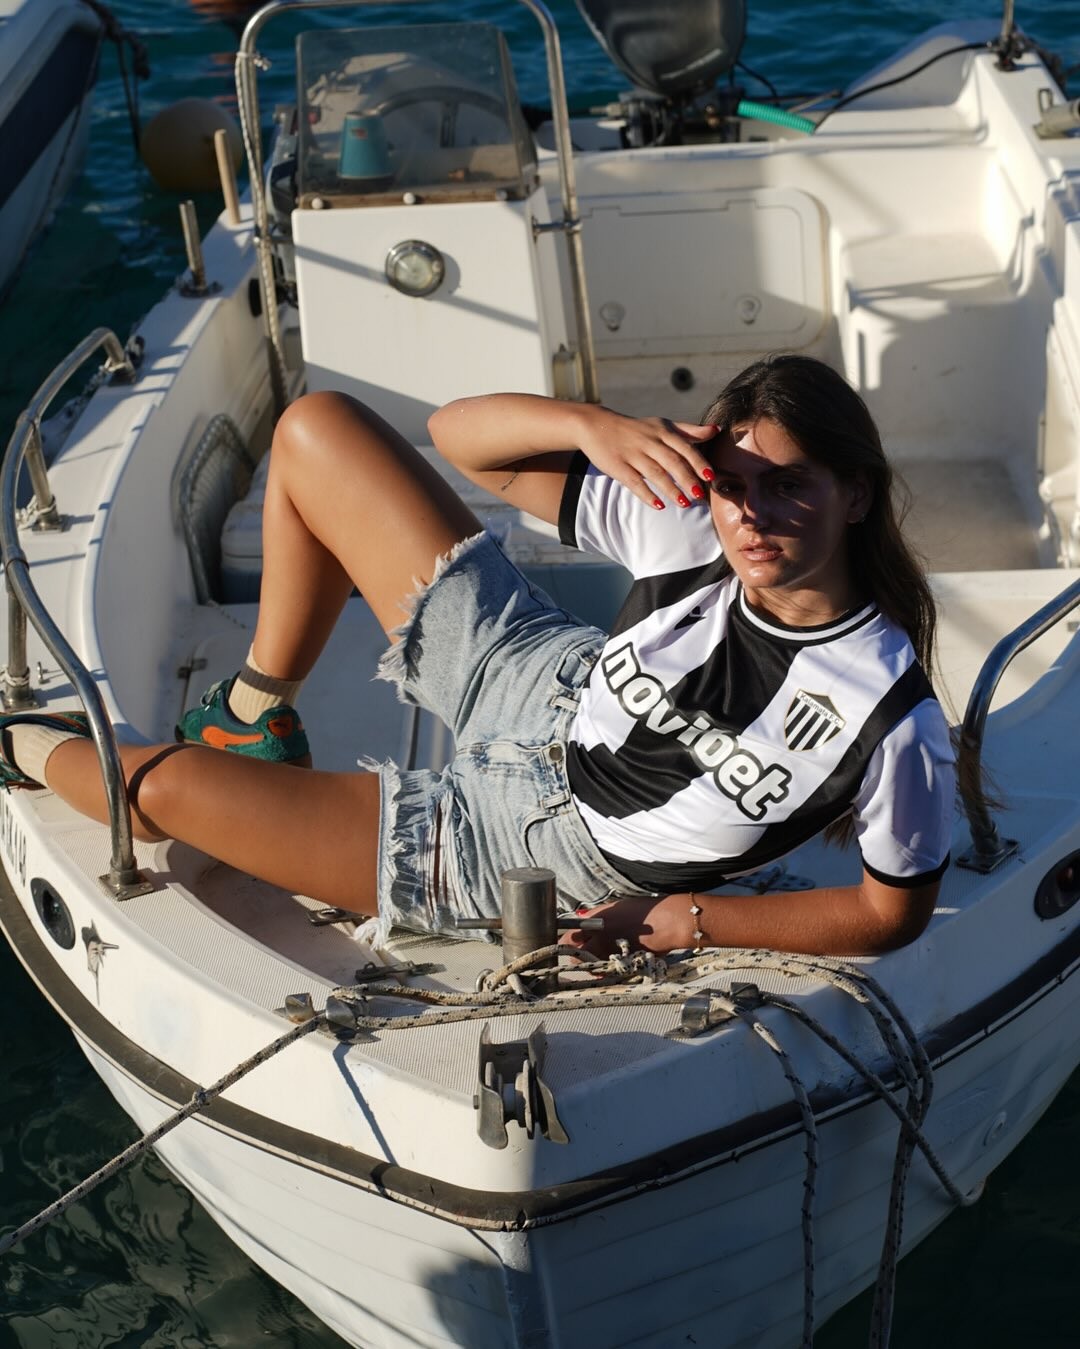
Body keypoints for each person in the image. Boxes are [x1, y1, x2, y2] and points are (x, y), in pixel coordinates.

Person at [0, 354, 955, 957]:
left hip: (525, 851)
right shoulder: (689, 530)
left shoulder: (886, 713)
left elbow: (890, 915)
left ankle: (17, 743)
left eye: (789, 486)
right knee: (316, 430)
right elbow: (462, 439)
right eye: (735, 484)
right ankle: (254, 713)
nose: (750, 515)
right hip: (540, 675)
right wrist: (592, 426)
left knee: (160, 791)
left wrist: (698, 920)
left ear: (856, 495)